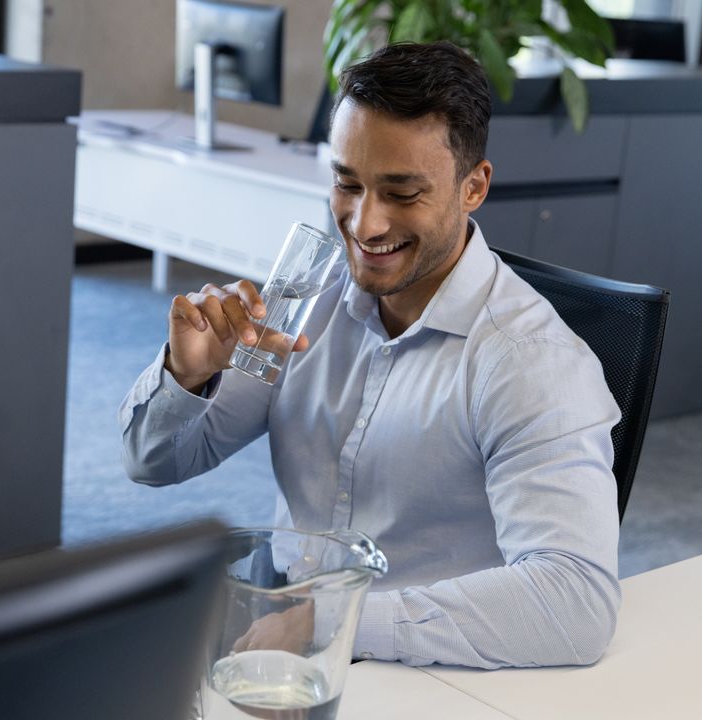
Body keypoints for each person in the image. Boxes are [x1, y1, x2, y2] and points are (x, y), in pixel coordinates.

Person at [119, 41, 621, 668]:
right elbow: (153, 463)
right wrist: (186, 378)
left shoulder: (531, 362)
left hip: (432, 664)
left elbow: (574, 605)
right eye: (347, 183)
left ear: (474, 188)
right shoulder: (308, 304)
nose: (365, 224)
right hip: (286, 626)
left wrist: (332, 621)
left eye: (402, 193)